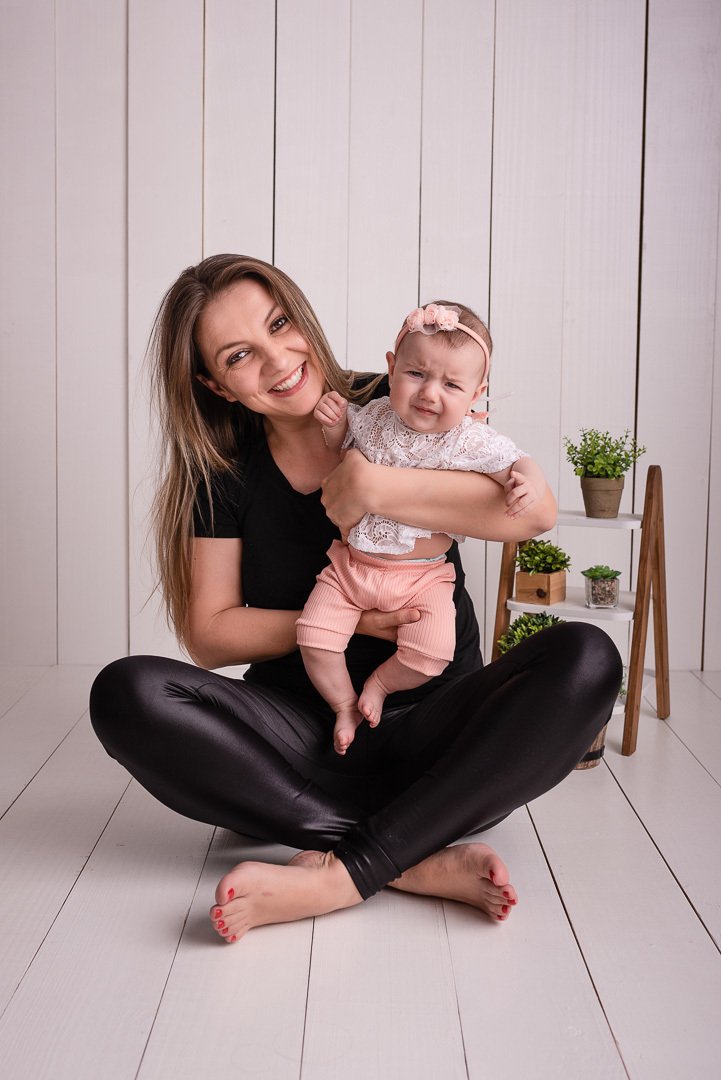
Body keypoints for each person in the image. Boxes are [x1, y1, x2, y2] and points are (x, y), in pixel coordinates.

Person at [89, 254, 622, 946]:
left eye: (279, 324)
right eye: (240, 355)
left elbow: (530, 515)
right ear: (214, 385)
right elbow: (210, 636)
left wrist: (373, 488)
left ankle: (340, 872)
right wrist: (354, 622)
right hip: (301, 743)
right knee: (125, 692)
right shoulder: (222, 476)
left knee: (587, 657)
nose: (279, 359)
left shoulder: (399, 395)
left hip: (440, 727)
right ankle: (408, 855)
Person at [297, 301, 548, 755]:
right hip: (351, 568)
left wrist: (528, 480)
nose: (430, 393)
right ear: (391, 369)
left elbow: (514, 461)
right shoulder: (372, 415)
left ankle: (378, 686)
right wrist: (334, 426)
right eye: (416, 374)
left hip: (423, 580)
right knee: (313, 637)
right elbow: (343, 448)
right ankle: (343, 705)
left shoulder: (468, 439)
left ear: (476, 394)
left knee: (432, 653)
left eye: (451, 384)